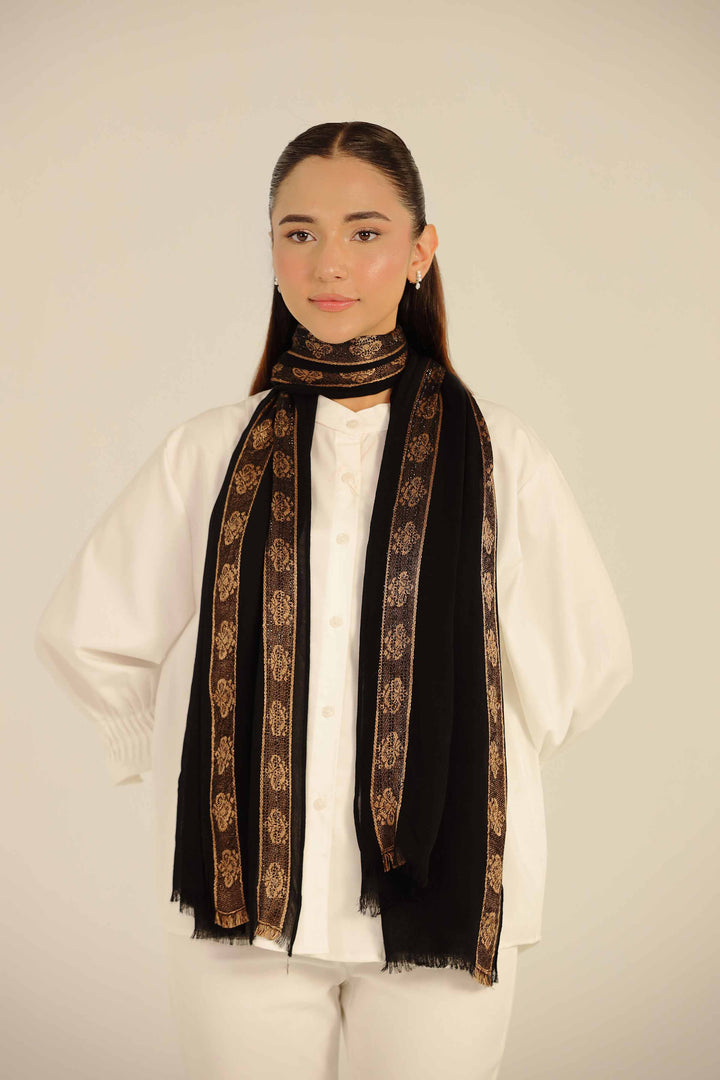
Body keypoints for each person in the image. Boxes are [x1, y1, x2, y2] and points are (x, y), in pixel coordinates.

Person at [34, 121, 633, 1080]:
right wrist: (179, 761)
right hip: (240, 913)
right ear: (272, 248)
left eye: (365, 232)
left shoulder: (500, 456)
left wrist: (459, 770)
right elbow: (92, 630)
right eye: (299, 233)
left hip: (448, 906)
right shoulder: (210, 452)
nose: (330, 265)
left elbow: (585, 660)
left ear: (420, 250)